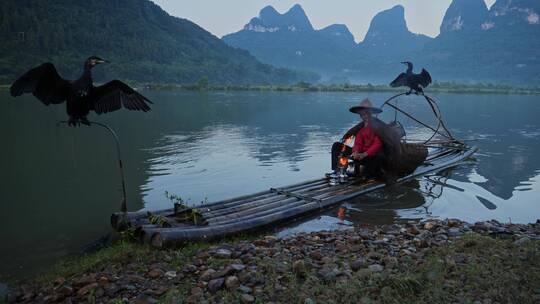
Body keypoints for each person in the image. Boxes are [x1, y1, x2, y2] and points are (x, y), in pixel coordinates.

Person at [331, 98, 387, 179]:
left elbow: (377, 144)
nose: (365, 116)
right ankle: (338, 171)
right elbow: (358, 143)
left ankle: (368, 174)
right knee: (336, 146)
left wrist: (365, 154)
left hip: (373, 157)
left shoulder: (378, 126)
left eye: (367, 113)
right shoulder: (361, 128)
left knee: (369, 173)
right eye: (362, 114)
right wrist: (355, 152)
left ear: (370, 113)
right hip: (361, 156)